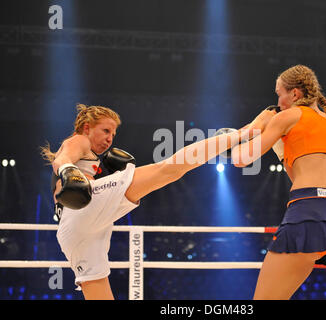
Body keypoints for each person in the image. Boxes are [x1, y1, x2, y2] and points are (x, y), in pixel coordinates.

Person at [40, 103, 257, 300]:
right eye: (105, 130)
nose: (110, 138)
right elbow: (62, 159)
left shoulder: (93, 156)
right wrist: (67, 169)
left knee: (98, 291)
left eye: (113, 134)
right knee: (168, 169)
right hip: (83, 211)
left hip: (73, 231)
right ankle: (237, 135)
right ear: (87, 128)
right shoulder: (78, 140)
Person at [232, 65, 326, 300]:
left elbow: (241, 159)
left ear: (295, 94)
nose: (278, 101)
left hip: (308, 213)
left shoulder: (288, 116)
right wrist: (283, 150)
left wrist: (257, 126)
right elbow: (312, 174)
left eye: (279, 93)